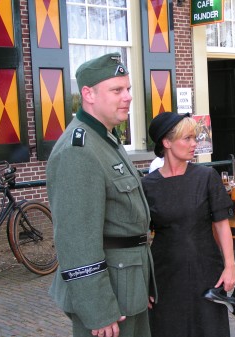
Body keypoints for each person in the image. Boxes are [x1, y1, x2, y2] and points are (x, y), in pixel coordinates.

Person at [46, 53, 155, 337]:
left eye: (128, 89)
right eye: (117, 90)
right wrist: (97, 309)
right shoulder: (78, 150)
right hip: (108, 295)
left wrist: (145, 284)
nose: (128, 97)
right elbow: (76, 240)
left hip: (128, 283)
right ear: (88, 94)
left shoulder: (106, 139)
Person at [142, 112, 235, 337]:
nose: (195, 144)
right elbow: (142, 237)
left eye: (195, 138)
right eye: (188, 138)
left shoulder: (206, 177)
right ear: (166, 142)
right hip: (164, 274)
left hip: (206, 270)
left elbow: (222, 225)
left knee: (209, 329)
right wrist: (144, 283)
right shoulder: (147, 185)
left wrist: (230, 266)